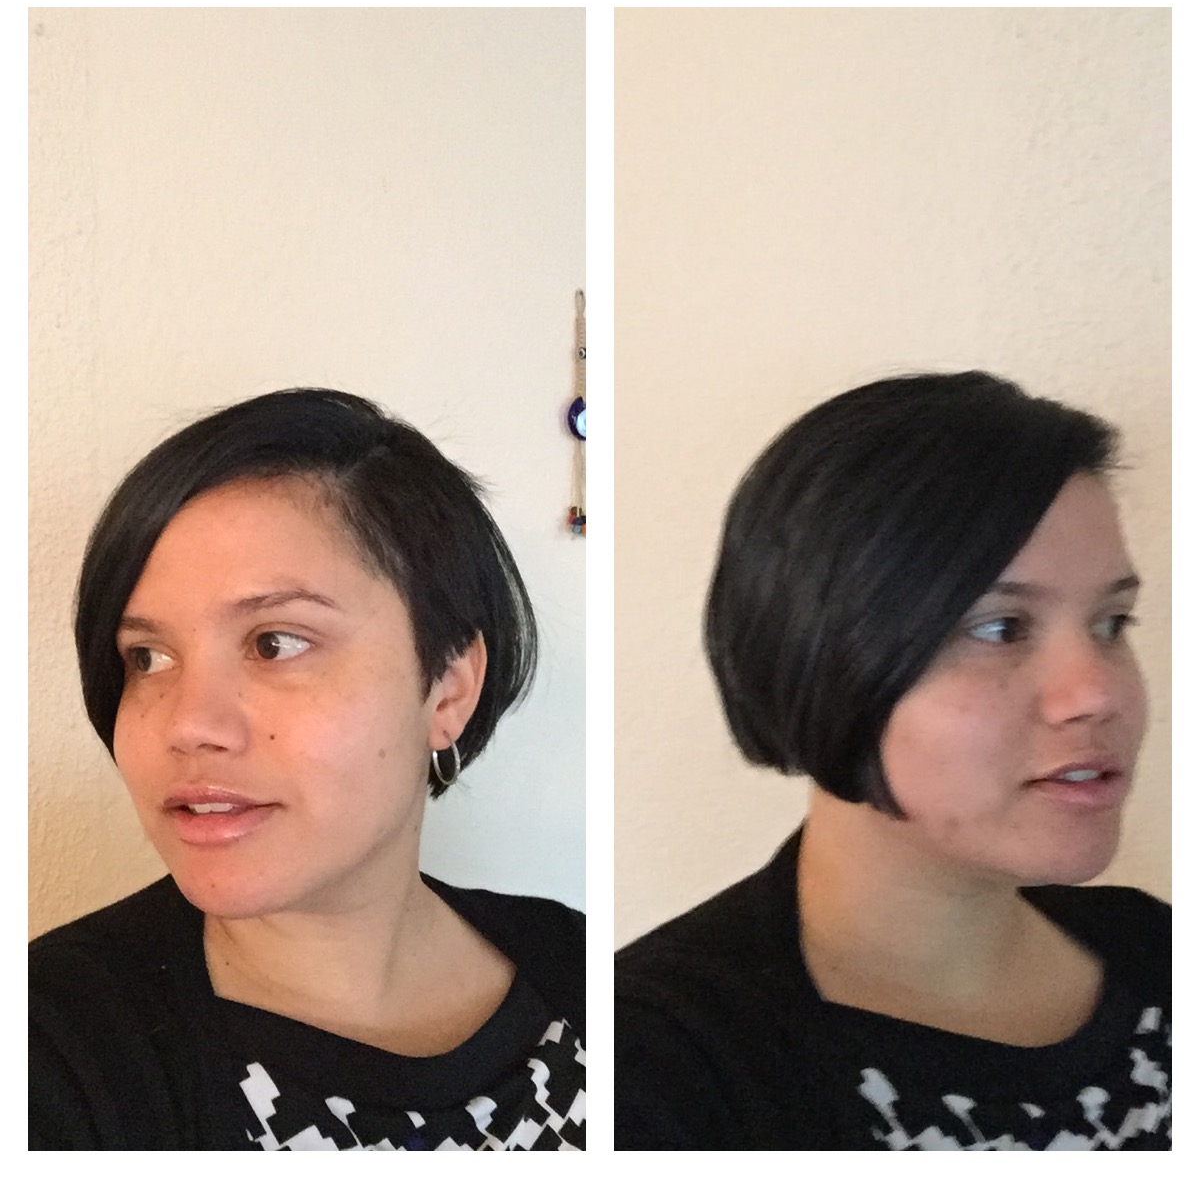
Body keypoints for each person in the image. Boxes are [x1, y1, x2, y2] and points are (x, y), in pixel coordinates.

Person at [615, 371, 1169, 1151]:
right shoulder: (659, 1071)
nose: (1097, 694)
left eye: (1112, 622)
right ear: (824, 655)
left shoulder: (1157, 953)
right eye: (1001, 628)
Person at [30, 388, 585, 1151]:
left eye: (276, 643)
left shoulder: (587, 975)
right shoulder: (52, 1052)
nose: (189, 725)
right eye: (147, 658)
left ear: (449, 687)